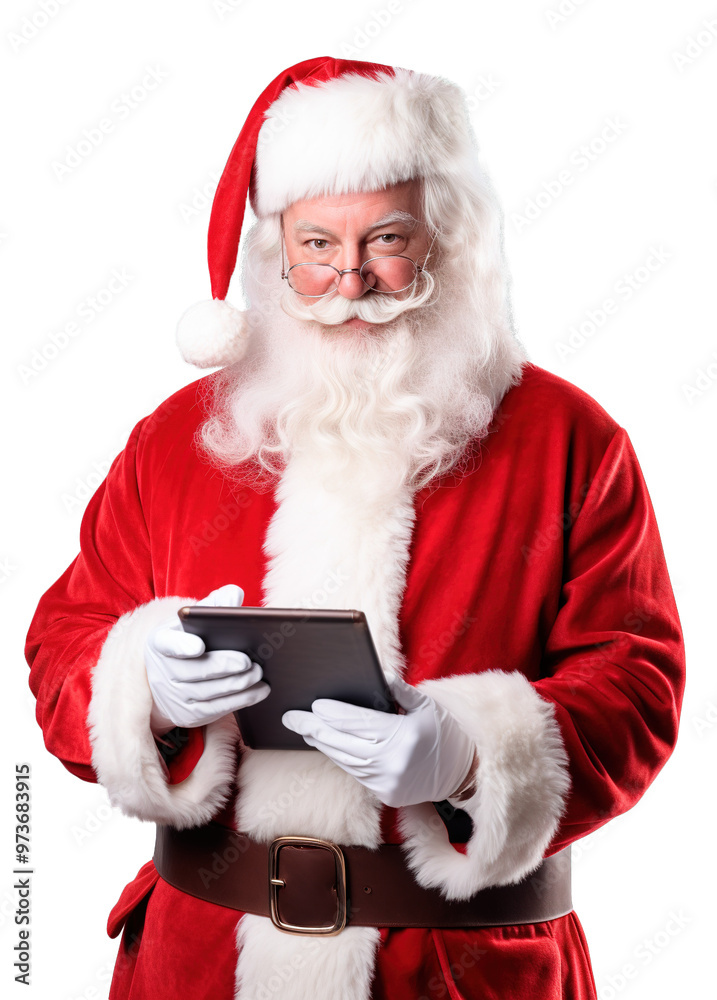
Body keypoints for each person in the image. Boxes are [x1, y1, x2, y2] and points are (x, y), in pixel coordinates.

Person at [24, 56, 686, 1000]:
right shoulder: (177, 440)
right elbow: (64, 639)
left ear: (442, 237)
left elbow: (637, 676)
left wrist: (469, 754)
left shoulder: (567, 440)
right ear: (275, 253)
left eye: (385, 238)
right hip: (201, 962)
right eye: (315, 244)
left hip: (459, 972)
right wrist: (147, 688)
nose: (348, 277)